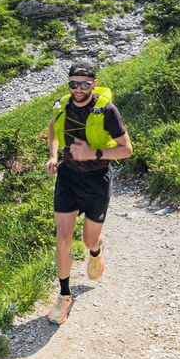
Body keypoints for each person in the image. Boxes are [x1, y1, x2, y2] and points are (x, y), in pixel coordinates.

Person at [44, 60, 132, 325]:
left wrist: (91, 153)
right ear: (68, 84)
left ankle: (96, 251)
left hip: (96, 180)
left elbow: (126, 149)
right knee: (63, 238)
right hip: (68, 178)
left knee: (88, 240)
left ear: (94, 84)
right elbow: (51, 129)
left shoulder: (107, 110)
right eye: (73, 83)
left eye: (84, 84)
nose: (79, 89)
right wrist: (52, 155)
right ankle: (64, 295)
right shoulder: (62, 106)